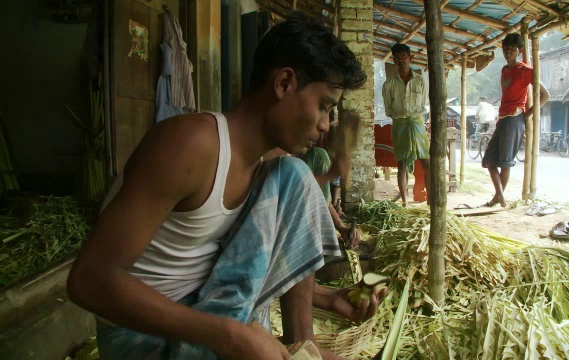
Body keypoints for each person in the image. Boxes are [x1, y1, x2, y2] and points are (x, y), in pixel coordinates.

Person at [67, 13, 384, 360]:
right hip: (147, 339)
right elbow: (88, 281)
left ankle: (301, 346)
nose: (325, 125)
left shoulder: (268, 167)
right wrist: (228, 336)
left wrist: (326, 297)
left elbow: (228, 269)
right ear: (284, 83)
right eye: (323, 106)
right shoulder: (191, 145)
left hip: (212, 319)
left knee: (296, 178)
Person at [481, 33, 549, 207]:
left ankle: (499, 199)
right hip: (503, 119)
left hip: (514, 119)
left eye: (512, 49)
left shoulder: (525, 70)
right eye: (506, 48)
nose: (508, 51)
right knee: (489, 160)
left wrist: (527, 115)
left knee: (504, 162)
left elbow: (545, 95)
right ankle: (500, 197)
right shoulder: (505, 70)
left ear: (519, 50)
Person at [382, 43, 431, 206]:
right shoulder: (389, 84)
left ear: (410, 58)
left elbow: (423, 104)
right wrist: (401, 116)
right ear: (394, 60)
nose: (401, 60)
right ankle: (404, 202)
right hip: (400, 125)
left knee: (426, 161)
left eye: (404, 57)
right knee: (401, 163)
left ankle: (431, 200)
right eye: (397, 58)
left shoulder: (420, 80)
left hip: (417, 122)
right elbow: (389, 109)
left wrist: (413, 116)